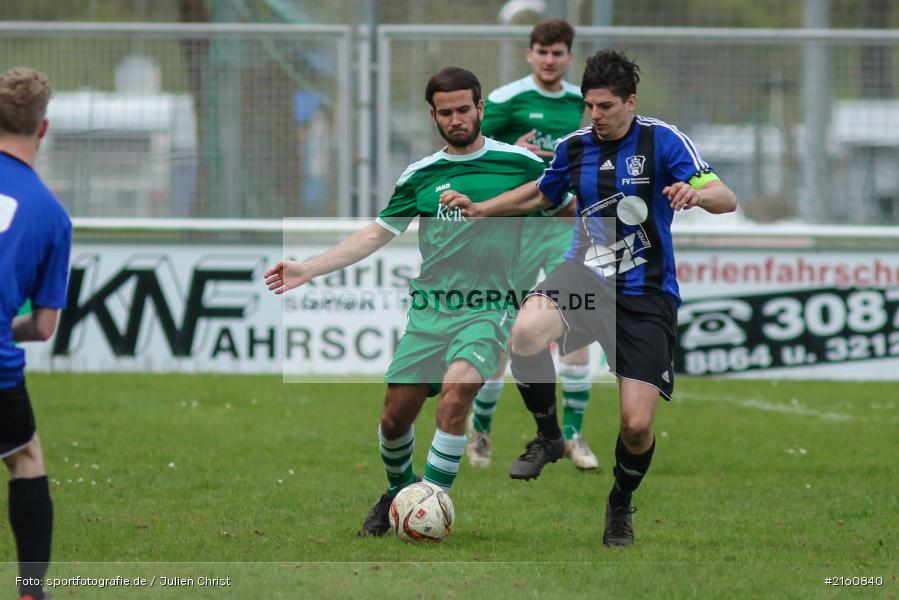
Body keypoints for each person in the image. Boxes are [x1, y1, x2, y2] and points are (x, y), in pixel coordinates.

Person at [440, 50, 737, 547]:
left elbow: (726, 196)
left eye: (604, 107)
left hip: (646, 296)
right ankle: (550, 436)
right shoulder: (576, 146)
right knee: (525, 332)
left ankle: (620, 501)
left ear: (630, 102)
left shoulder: (662, 140)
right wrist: (482, 209)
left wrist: (695, 194)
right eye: (588, 106)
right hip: (584, 278)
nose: (594, 116)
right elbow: (541, 193)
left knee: (636, 425)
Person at [265, 67, 545, 537]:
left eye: (463, 109)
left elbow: (564, 197)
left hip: (490, 304)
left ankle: (429, 506)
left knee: (457, 393)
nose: (456, 119)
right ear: (433, 116)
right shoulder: (421, 174)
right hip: (430, 310)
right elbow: (375, 233)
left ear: (480, 109)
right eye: (445, 112)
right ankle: (398, 494)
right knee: (394, 419)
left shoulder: (521, 164)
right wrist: (308, 268)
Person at [471, 18, 600, 471]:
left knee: (576, 323)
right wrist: (512, 149)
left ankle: (574, 436)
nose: (549, 60)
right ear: (530, 54)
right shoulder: (506, 99)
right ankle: (481, 431)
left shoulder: (578, 103)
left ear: (568, 57)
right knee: (506, 332)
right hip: (517, 230)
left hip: (562, 227)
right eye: (542, 52)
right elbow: (472, 150)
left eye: (558, 52)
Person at [1, 67, 72, 600]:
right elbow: (44, 327)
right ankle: (30, 591)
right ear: (42, 129)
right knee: (25, 457)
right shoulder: (51, 214)